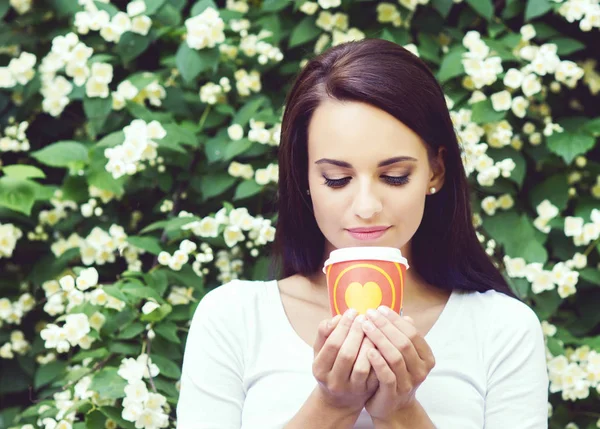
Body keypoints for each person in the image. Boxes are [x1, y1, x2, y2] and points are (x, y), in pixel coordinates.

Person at [176, 38, 549, 428]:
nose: (366, 206)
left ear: (435, 171)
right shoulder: (234, 318)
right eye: (337, 180)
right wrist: (332, 406)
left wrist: (401, 412)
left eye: (394, 177)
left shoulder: (502, 329)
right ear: (304, 176)